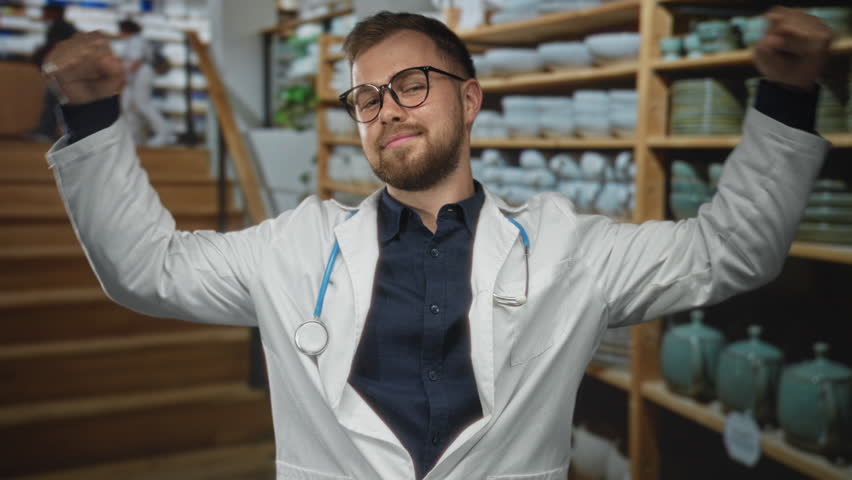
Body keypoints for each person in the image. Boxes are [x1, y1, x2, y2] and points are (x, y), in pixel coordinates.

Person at [41, 7, 833, 479]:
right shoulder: (294, 249)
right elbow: (148, 269)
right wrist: (92, 116)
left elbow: (734, 250)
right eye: (367, 97)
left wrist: (789, 94)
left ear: (471, 98)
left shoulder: (570, 249)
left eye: (412, 84)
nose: (388, 108)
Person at [116, 19, 174, 147]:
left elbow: (136, 61)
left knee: (142, 103)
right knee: (128, 106)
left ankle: (165, 133)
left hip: (140, 74)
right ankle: (135, 137)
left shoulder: (136, 41)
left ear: (125, 30)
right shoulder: (131, 41)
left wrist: (124, 76)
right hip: (134, 76)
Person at [31, 4, 77, 140]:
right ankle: (56, 132)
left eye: (45, 11)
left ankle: (46, 132)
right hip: (69, 70)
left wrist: (47, 65)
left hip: (63, 70)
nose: (43, 14)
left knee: (53, 100)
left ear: (53, 13)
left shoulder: (59, 27)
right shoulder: (65, 27)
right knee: (57, 101)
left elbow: (56, 48)